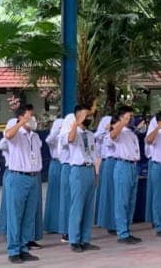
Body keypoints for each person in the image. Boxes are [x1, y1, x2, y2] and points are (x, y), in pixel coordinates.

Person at [3, 106, 43, 263]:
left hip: (34, 178)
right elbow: (8, 135)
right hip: (18, 177)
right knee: (15, 215)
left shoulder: (35, 136)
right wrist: (20, 124)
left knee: (29, 215)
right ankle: (13, 250)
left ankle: (24, 248)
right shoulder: (15, 133)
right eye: (29, 116)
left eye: (33, 116)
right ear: (20, 117)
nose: (32, 119)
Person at [63, 105, 100, 252]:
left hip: (89, 169)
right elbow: (70, 140)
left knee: (88, 208)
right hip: (78, 171)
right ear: (78, 116)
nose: (88, 118)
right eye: (86, 116)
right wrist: (76, 124)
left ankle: (85, 239)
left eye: (90, 116)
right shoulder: (72, 132)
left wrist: (96, 174)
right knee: (77, 207)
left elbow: (94, 154)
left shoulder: (90, 135)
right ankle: (74, 240)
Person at [109, 106, 142, 244]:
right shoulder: (119, 131)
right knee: (122, 201)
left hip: (134, 166)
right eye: (129, 117)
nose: (131, 119)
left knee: (130, 201)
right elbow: (112, 136)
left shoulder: (131, 133)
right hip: (123, 165)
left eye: (131, 117)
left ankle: (127, 230)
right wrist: (122, 122)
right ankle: (122, 233)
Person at [94, 115, 116, 233]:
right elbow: (97, 138)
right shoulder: (103, 135)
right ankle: (107, 221)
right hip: (107, 161)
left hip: (114, 162)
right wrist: (107, 130)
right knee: (108, 193)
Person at [43, 117, 64, 234]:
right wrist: (57, 131)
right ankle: (52, 224)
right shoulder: (53, 139)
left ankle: (63, 222)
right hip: (56, 164)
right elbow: (48, 140)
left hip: (65, 165)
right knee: (55, 194)